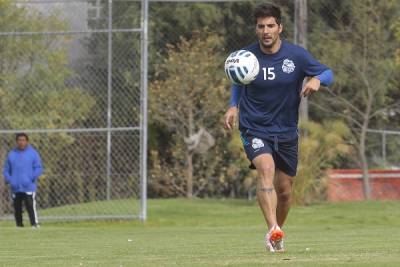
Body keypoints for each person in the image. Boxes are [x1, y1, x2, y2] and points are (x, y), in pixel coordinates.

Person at [224, 3, 333, 252]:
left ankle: (276, 233)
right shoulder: (246, 56)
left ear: (280, 27)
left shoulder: (297, 56)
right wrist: (233, 106)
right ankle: (273, 227)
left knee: (284, 190)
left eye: (270, 25)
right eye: (261, 26)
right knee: (266, 167)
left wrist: (316, 79)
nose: (266, 31)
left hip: (285, 131)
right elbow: (237, 80)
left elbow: (328, 72)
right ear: (256, 29)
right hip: (254, 128)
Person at [3, 133, 43, 228]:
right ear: (16, 142)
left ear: (27, 141)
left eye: (23, 140)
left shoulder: (33, 153)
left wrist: (31, 178)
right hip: (15, 187)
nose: (21, 142)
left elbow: (38, 168)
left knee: (30, 205)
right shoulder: (11, 154)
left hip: (28, 186)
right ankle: (19, 225)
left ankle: (34, 224)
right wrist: (10, 180)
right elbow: (6, 170)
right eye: (19, 140)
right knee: (17, 207)